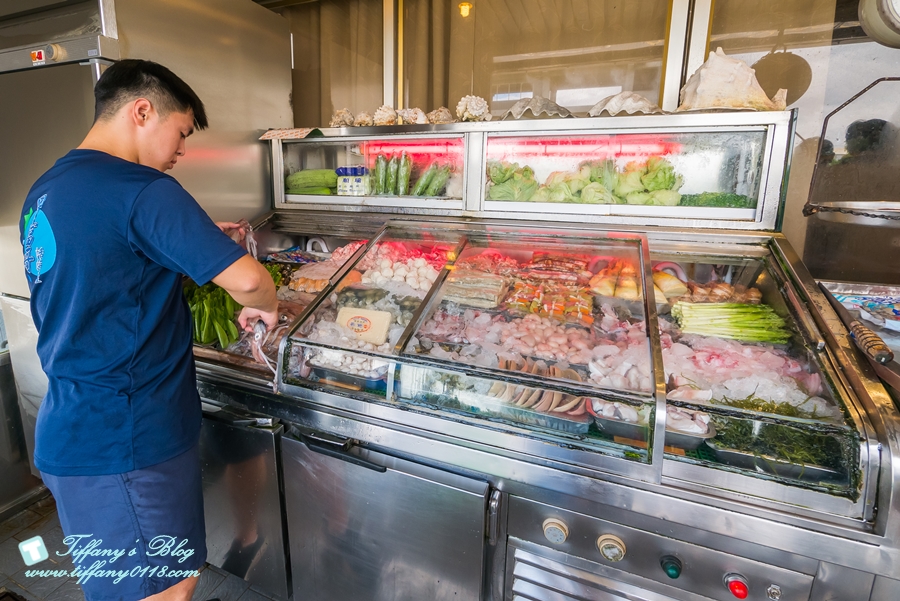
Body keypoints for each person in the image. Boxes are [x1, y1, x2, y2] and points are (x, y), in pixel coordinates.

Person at [18, 59, 278, 601]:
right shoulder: (143, 189)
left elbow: (106, 275)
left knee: (142, 584)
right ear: (143, 110)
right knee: (163, 591)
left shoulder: (49, 187)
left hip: (77, 423)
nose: (181, 152)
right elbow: (251, 281)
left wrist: (191, 242)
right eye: (181, 133)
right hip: (128, 441)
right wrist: (267, 306)